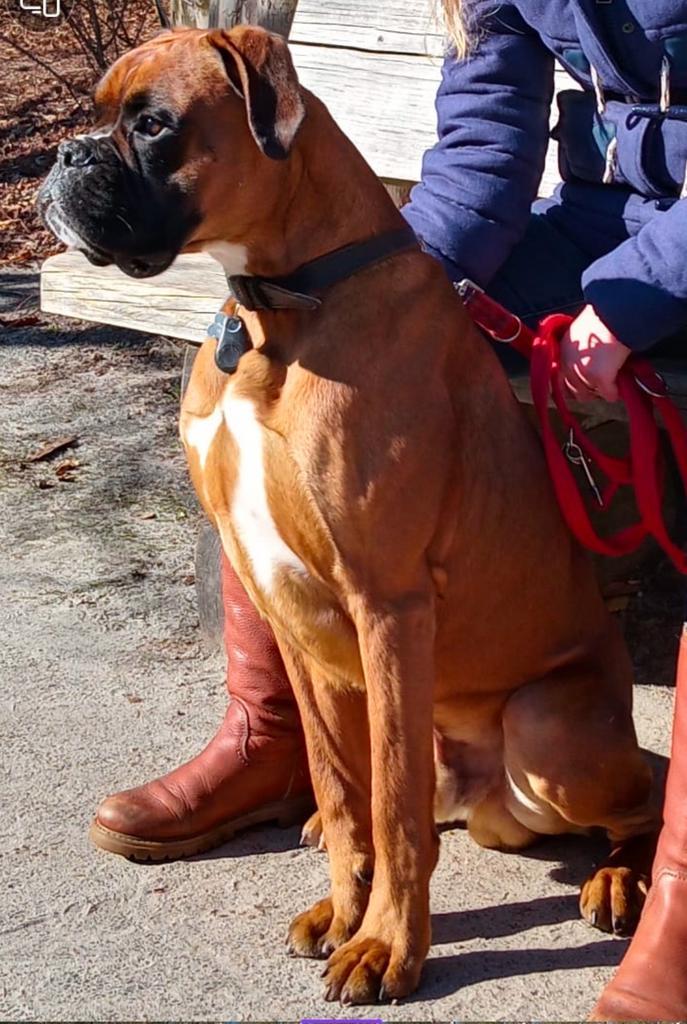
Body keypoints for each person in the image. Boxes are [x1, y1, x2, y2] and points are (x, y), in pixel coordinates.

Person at [91, 1, 687, 1017]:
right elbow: (488, 135)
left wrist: (635, 299)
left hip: (663, 247)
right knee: (285, 351)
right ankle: (276, 737)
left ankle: (667, 864)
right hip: (601, 222)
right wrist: (384, 277)